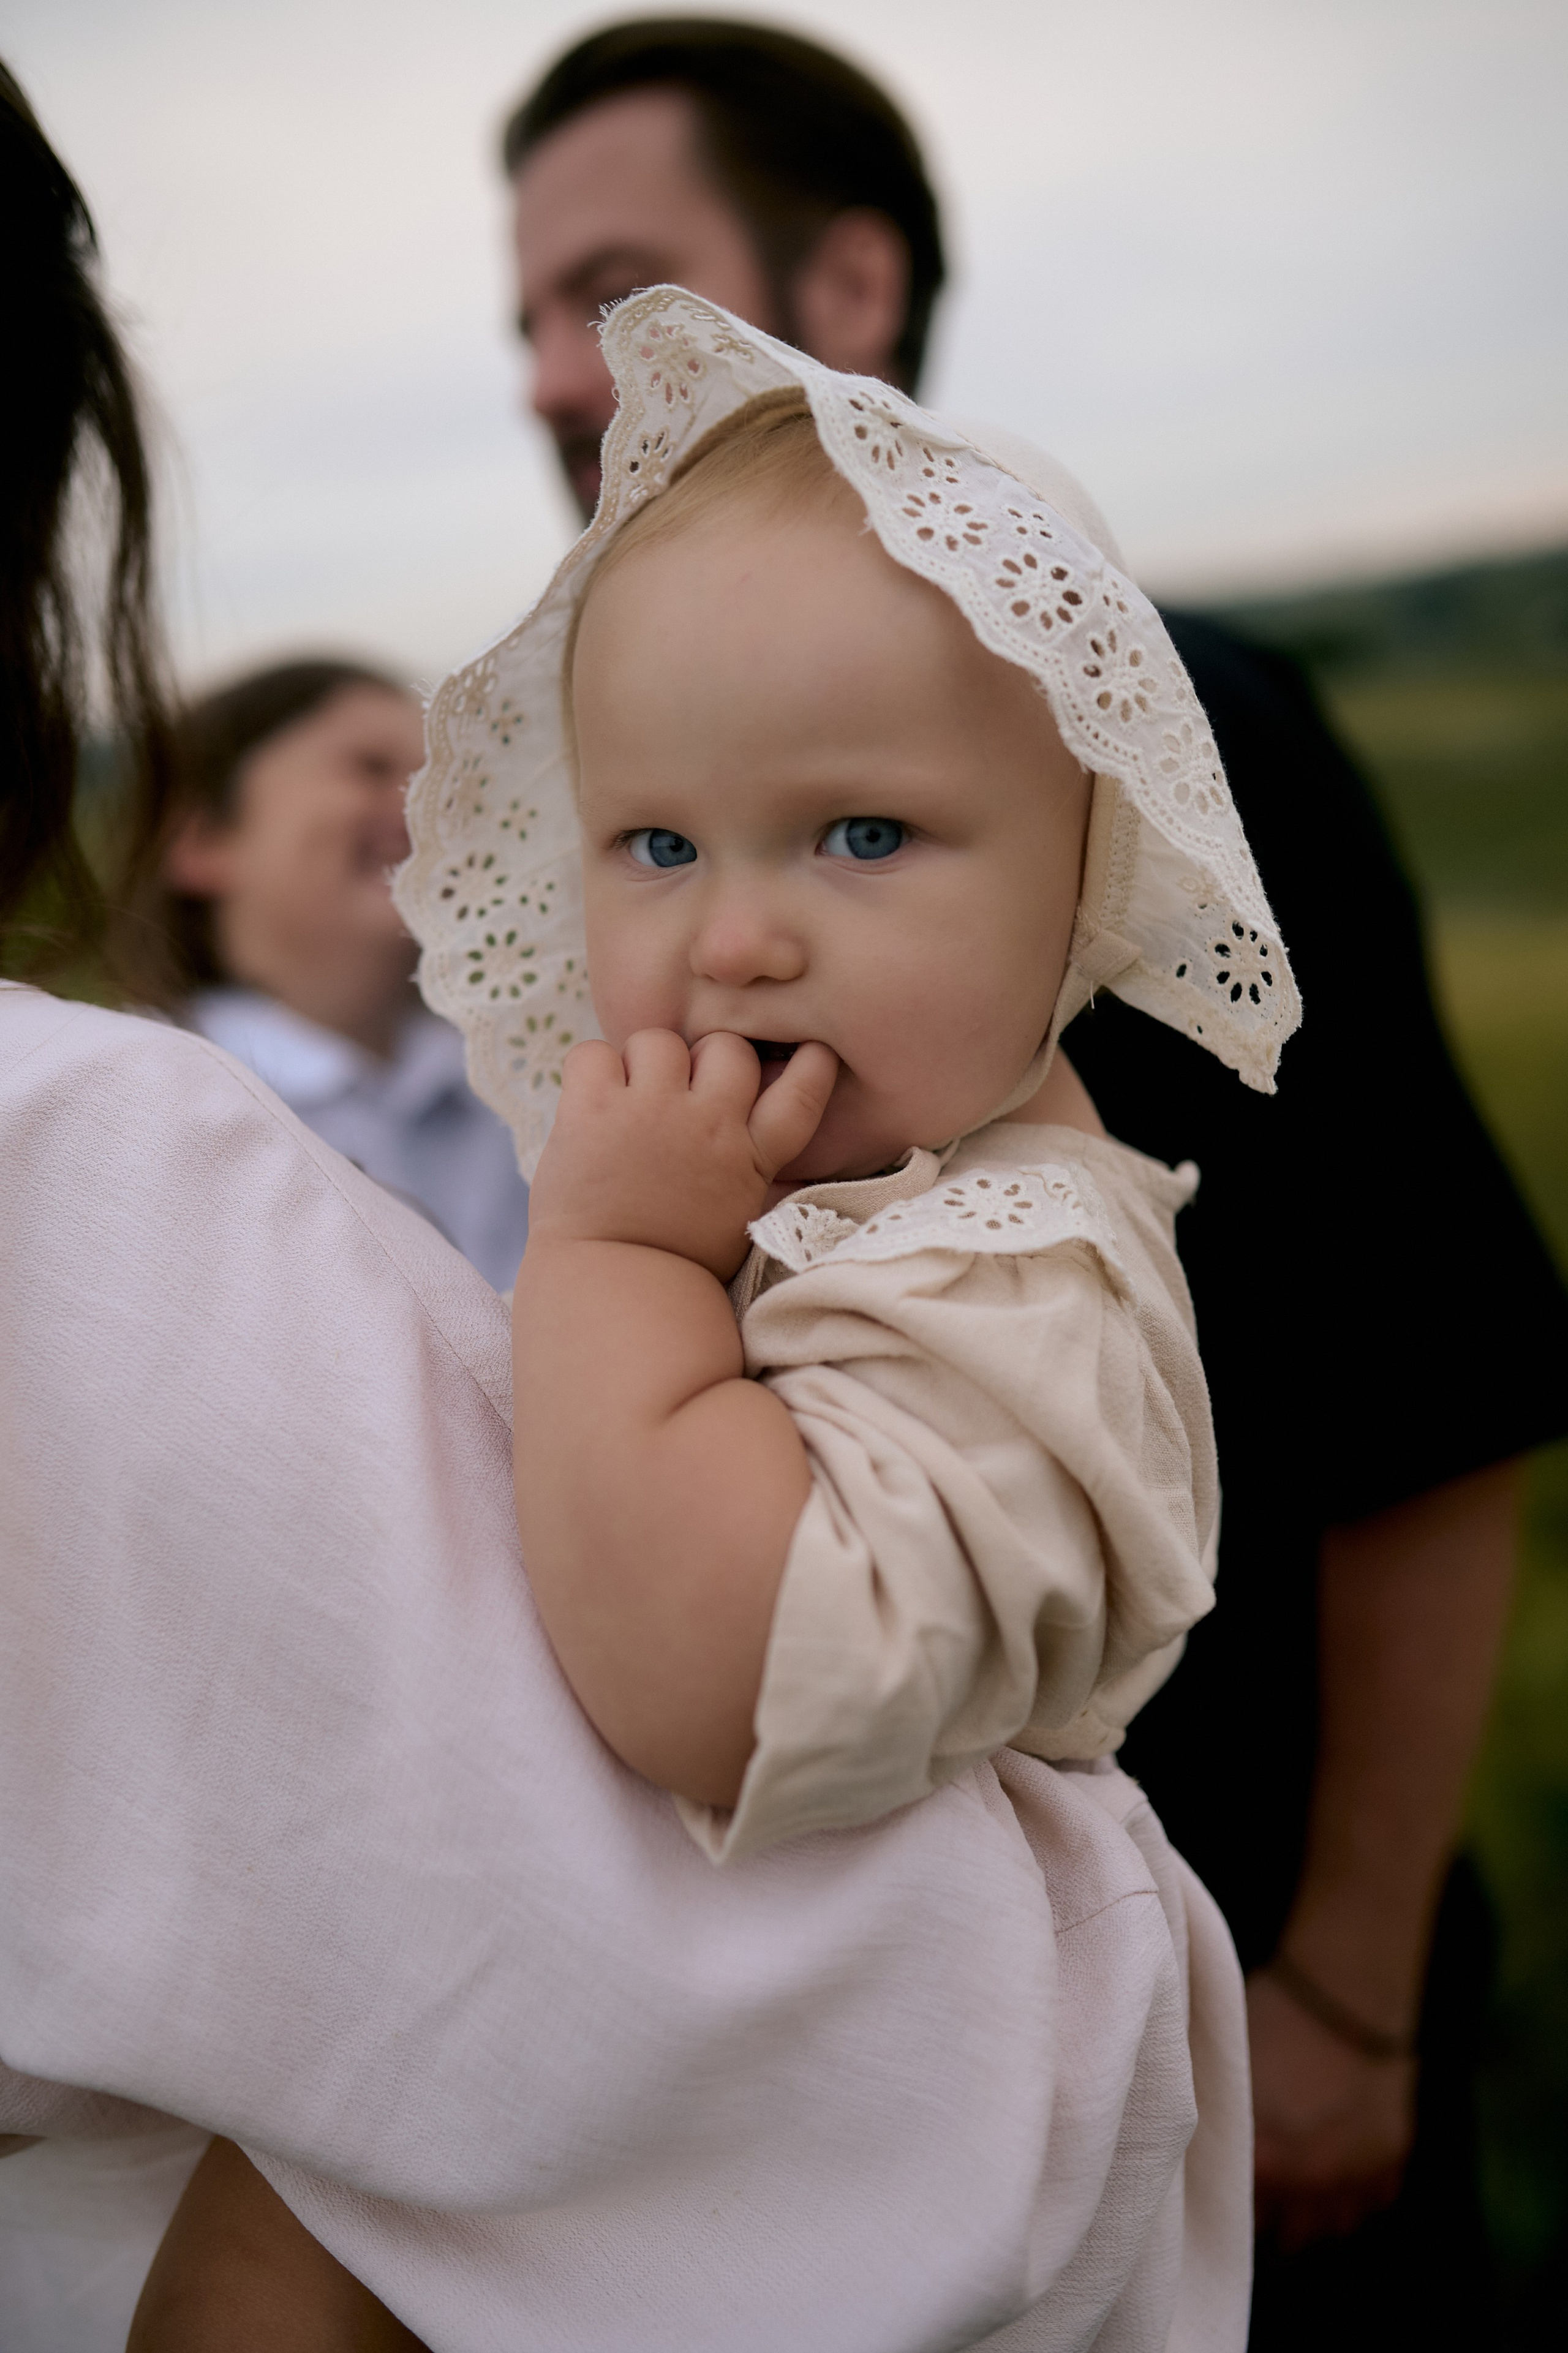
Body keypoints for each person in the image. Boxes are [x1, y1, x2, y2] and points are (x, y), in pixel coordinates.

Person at [2, 61, 1250, 2353]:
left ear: (1087, 865)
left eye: (858, 835)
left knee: (318, 2211)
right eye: (654, 845)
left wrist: (605, 1258)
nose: (733, 938)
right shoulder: (878, 1194)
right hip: (725, 2105)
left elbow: (706, 1677)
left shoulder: (1019, 1271)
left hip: (840, 2164)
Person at [499, 20, 1568, 2346]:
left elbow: (1427, 1388)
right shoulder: (843, 1067)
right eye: (653, 848)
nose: (551, 377)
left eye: (608, 290)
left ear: (849, 280)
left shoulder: (1148, 745)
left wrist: (1348, 1991)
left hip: (1174, 2032)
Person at [132, 659, 530, 1292]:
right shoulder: (143, 1104)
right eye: (372, 767)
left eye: (441, 777)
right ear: (203, 838)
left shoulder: (526, 1082)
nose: (423, 804)